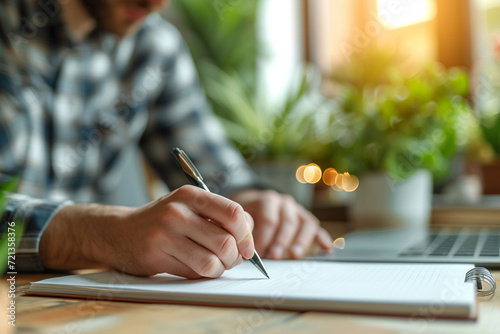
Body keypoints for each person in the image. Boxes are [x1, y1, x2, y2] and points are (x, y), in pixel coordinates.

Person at [0, 0, 332, 279]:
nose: (157, 3)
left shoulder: (154, 48)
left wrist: (253, 204)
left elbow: (218, 176)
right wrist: (102, 235)